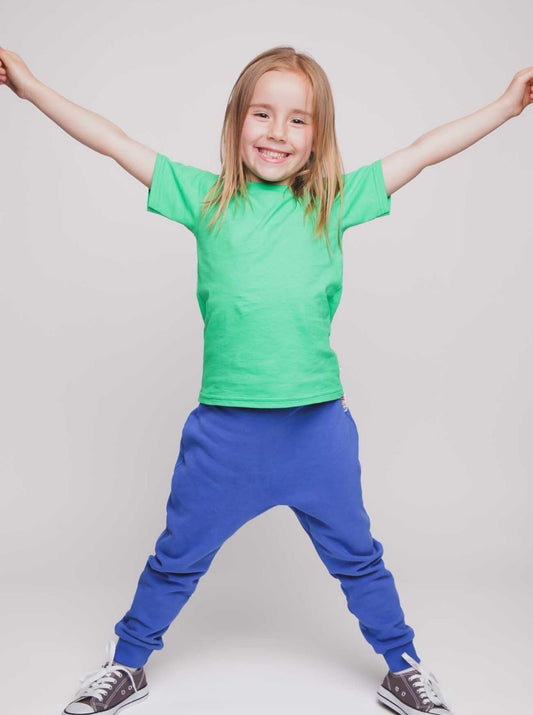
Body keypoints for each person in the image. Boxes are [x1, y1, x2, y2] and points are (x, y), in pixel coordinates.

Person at [1, 42, 531, 715]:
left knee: (359, 557)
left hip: (317, 432)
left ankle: (404, 666)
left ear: (317, 141)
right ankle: (126, 663)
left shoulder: (332, 204)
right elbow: (112, 140)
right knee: (175, 558)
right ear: (235, 123)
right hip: (224, 435)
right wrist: (32, 87)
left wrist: (507, 107)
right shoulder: (205, 200)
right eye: (262, 114)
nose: (277, 132)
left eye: (297, 121)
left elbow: (423, 150)